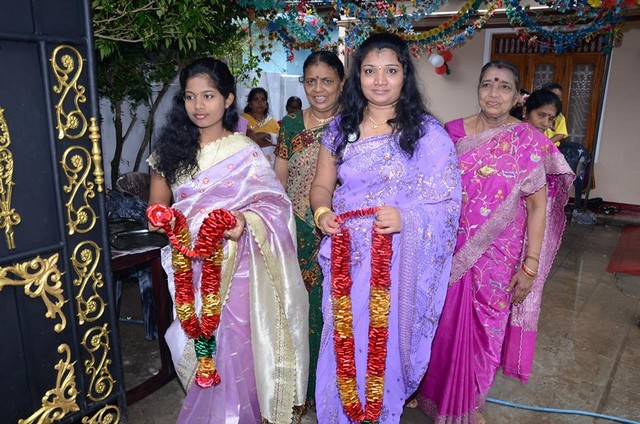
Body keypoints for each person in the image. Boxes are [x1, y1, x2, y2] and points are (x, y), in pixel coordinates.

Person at [147, 57, 309, 423]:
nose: (199, 106)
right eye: (190, 97)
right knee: (195, 343)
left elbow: (273, 204)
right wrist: (163, 218)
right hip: (189, 264)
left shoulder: (244, 151)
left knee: (236, 344)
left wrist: (243, 221)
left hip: (238, 263)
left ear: (228, 99)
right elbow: (157, 210)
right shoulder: (168, 152)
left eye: (208, 96)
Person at [310, 33, 461, 423]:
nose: (379, 81)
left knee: (383, 351)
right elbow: (322, 185)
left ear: (404, 75)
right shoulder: (340, 128)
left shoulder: (427, 133)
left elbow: (447, 204)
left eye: (390, 71)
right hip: (346, 257)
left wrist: (407, 219)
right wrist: (322, 212)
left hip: (397, 262)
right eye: (369, 71)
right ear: (357, 77)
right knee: (343, 345)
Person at [415, 60, 574, 424]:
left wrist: (530, 265)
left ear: (518, 97)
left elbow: (538, 207)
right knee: (439, 323)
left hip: (499, 257)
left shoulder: (528, 140)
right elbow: (431, 189)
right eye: (487, 84)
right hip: (448, 250)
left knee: (485, 328)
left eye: (504, 87)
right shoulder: (452, 133)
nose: (494, 93)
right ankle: (427, 393)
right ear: (478, 89)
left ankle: (470, 402)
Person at [273, 50, 345, 407]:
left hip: (340, 230)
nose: (318, 89)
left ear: (341, 84)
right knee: (298, 311)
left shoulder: (353, 124)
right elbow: (278, 181)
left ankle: (331, 390)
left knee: (334, 310)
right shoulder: (289, 125)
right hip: (297, 232)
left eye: (327, 81)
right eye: (311, 81)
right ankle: (300, 387)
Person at [242, 87, 280, 166]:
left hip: (270, 164)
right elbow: (250, 140)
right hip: (248, 163)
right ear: (250, 103)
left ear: (266, 104)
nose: (260, 103)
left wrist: (266, 135)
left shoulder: (273, 123)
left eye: (263, 100)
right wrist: (269, 138)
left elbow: (281, 142)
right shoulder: (243, 119)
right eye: (256, 99)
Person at [541, 82, 568, 146]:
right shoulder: (536, 113)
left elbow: (561, 134)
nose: (555, 99)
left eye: (558, 97)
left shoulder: (560, 117)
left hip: (551, 146)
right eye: (552, 96)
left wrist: (546, 143)